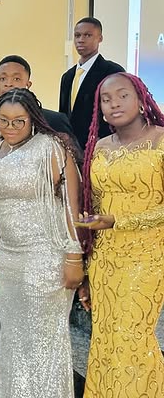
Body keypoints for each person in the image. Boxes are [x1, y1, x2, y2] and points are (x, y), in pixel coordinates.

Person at [0, 88, 84, 398]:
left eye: (18, 121)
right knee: (14, 341)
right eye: (3, 120)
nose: (10, 127)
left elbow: (70, 206)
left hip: (46, 258)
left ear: (33, 119)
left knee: (43, 343)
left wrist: (74, 256)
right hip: (9, 260)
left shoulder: (50, 147)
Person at [77, 73, 164, 397]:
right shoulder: (99, 148)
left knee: (133, 338)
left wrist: (119, 221)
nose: (114, 103)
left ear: (141, 100)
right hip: (105, 260)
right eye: (106, 99)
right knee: (105, 338)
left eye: (123, 95)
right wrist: (87, 269)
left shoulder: (160, 141)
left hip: (147, 259)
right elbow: (97, 206)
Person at [59, 17, 125, 149]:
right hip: (71, 148)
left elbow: (120, 111)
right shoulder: (68, 76)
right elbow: (63, 115)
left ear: (100, 38)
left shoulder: (112, 72)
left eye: (87, 35)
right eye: (77, 35)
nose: (81, 40)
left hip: (102, 146)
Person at [0, 55, 75, 146]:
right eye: (3, 79)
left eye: (16, 79)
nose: (9, 84)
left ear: (28, 85)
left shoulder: (55, 121)